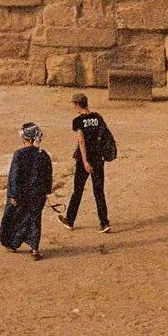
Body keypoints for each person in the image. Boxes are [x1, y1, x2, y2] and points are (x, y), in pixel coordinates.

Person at [0, 122, 53, 260]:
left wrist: (13, 195)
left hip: (21, 195)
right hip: (38, 194)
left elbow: (14, 176)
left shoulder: (19, 154)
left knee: (15, 219)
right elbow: (48, 175)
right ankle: (35, 249)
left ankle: (12, 244)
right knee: (34, 220)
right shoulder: (43, 155)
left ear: (24, 138)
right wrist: (47, 192)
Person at [59, 93, 111, 233]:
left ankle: (70, 220)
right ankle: (104, 223)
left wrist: (85, 161)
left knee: (78, 191)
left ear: (77, 104)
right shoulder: (98, 118)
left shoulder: (78, 121)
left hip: (85, 160)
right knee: (99, 191)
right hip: (99, 159)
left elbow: (81, 141)